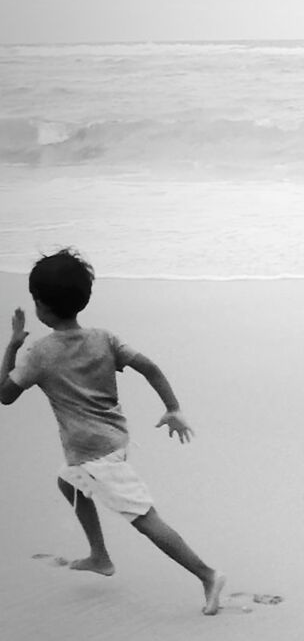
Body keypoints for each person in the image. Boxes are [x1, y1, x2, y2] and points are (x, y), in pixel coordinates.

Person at [0, 248, 225, 615]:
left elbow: (5, 395)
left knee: (146, 521)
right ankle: (100, 555)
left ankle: (208, 575)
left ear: (40, 306)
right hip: (113, 440)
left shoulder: (39, 353)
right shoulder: (104, 338)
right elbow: (149, 367)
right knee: (68, 481)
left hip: (95, 455)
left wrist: (11, 347)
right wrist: (173, 408)